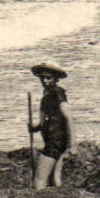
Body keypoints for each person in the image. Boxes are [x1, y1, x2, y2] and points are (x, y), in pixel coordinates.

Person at [29, 61, 74, 190]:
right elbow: (51, 119)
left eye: (48, 77)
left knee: (39, 181)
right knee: (55, 180)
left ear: (56, 78)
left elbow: (68, 118)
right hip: (57, 141)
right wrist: (36, 128)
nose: (44, 80)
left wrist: (73, 145)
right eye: (42, 77)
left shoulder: (57, 93)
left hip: (55, 142)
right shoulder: (49, 93)